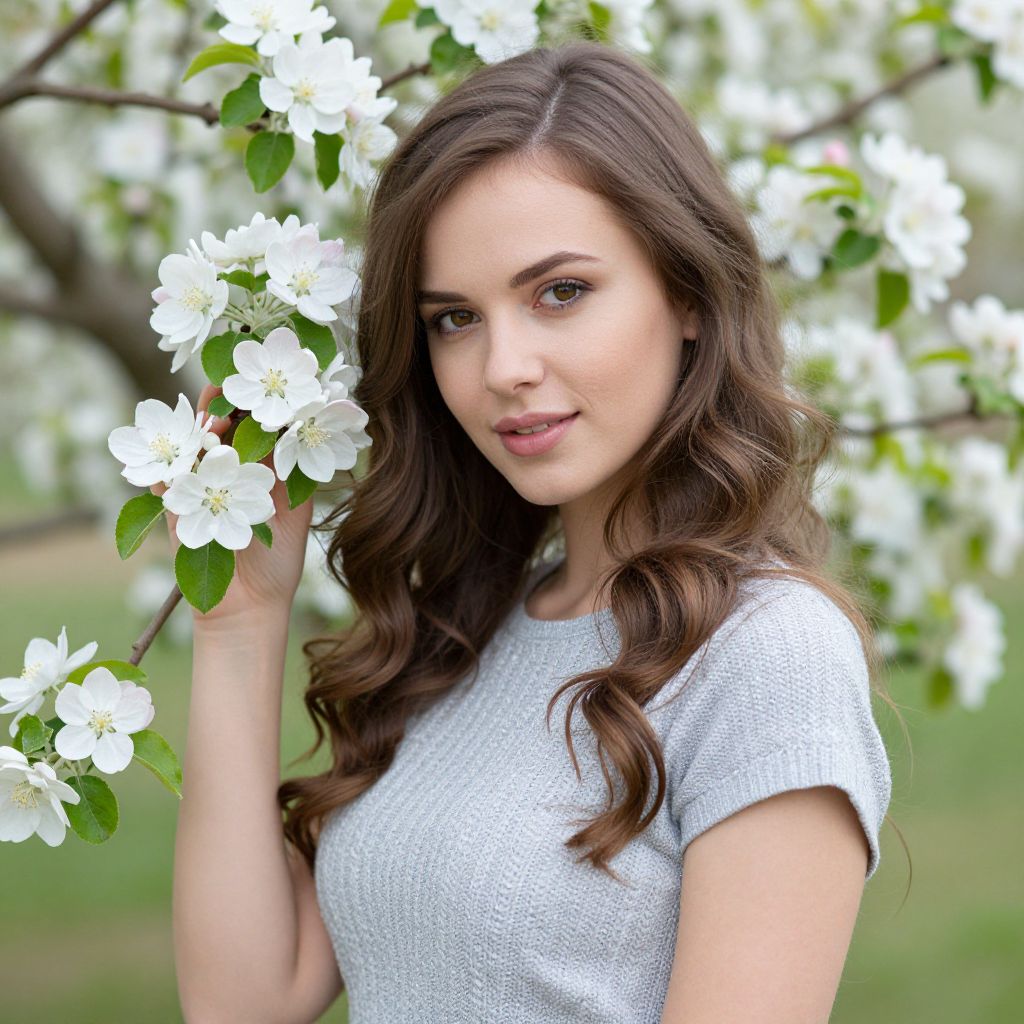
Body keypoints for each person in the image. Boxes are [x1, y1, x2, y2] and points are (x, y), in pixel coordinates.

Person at [165, 40, 897, 1023]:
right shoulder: (462, 632)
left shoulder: (764, 658)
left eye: (560, 292)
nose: (503, 365)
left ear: (685, 293)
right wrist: (240, 620)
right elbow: (242, 1004)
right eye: (454, 318)